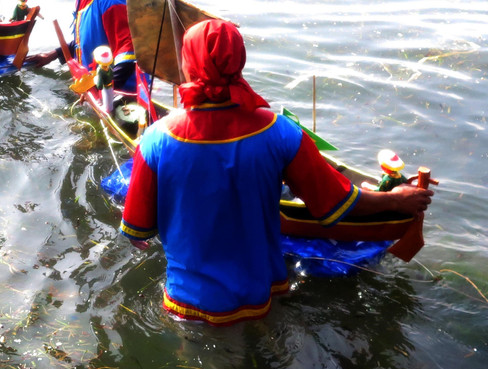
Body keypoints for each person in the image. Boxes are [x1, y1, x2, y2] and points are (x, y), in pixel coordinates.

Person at [119, 19, 433, 326]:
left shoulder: (156, 140)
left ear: (188, 64)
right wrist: (394, 199)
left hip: (189, 299)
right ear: (239, 61)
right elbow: (336, 204)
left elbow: (137, 228)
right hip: (262, 289)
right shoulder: (280, 132)